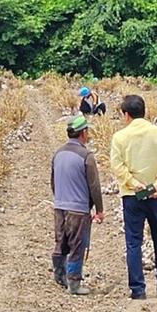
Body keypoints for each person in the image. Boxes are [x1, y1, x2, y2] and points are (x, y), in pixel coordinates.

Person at [110, 94, 157, 300]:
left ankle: (137, 289)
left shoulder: (119, 137)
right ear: (144, 111)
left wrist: (134, 183)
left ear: (126, 114)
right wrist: (156, 185)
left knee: (133, 241)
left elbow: (117, 166)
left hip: (132, 196)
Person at [50, 114, 105, 296]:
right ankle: (74, 283)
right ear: (83, 133)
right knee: (76, 245)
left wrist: (60, 199)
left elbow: (53, 182)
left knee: (61, 242)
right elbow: (94, 186)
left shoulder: (58, 154)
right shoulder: (86, 156)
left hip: (60, 206)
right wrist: (99, 210)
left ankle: (60, 276)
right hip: (78, 209)